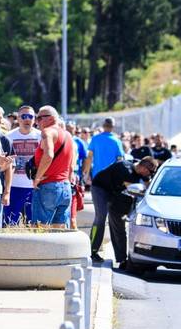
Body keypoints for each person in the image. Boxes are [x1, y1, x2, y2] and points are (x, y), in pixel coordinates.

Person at [91, 157, 157, 266]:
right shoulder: (125, 169)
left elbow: (148, 186)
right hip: (101, 188)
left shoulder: (141, 170)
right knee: (101, 218)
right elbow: (136, 189)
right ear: (144, 168)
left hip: (116, 193)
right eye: (151, 172)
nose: (150, 175)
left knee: (118, 224)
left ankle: (121, 259)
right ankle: (93, 251)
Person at [84, 117, 125, 259]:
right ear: (113, 127)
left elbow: (89, 157)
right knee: (114, 219)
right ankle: (120, 256)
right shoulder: (116, 141)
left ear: (103, 126)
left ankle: (93, 251)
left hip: (98, 183)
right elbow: (120, 160)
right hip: (112, 184)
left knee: (100, 217)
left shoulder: (95, 139)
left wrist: (86, 174)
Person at [31, 107, 74, 227]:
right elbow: (71, 164)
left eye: (39, 118)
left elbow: (49, 155)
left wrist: (37, 178)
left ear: (51, 118)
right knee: (59, 231)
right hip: (65, 187)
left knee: (39, 229)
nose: (37, 122)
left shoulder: (48, 132)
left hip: (48, 186)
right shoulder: (68, 135)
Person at [4, 105, 42, 225]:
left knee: (34, 224)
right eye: (24, 116)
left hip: (34, 187)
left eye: (30, 116)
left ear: (34, 119)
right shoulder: (8, 137)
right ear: (18, 119)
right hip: (13, 186)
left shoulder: (41, 136)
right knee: (10, 223)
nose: (27, 119)